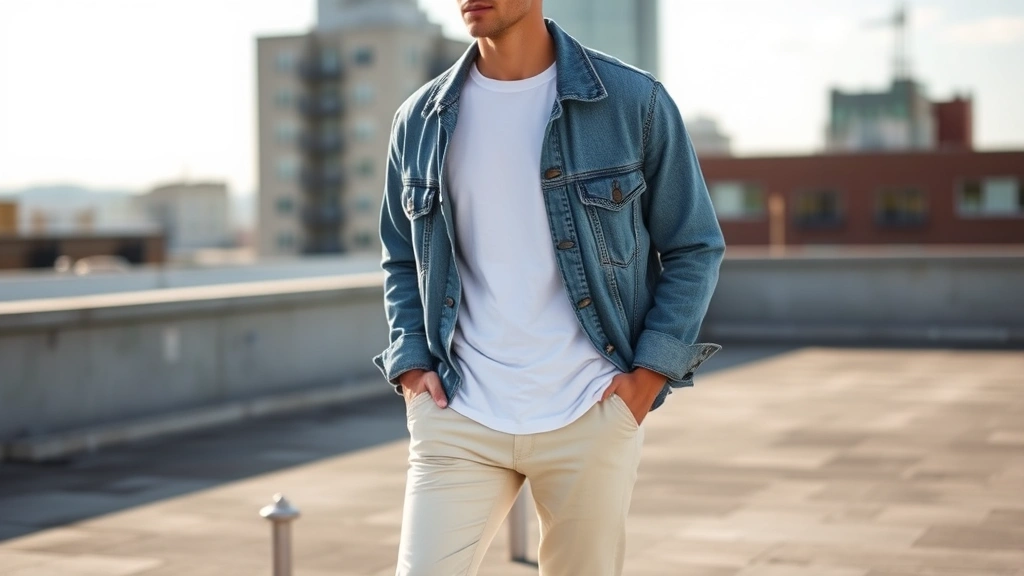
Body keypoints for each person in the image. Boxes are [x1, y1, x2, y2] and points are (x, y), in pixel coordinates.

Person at [373, 1, 725, 574]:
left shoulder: (633, 103)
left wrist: (647, 378)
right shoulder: (419, 120)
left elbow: (694, 245)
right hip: (461, 410)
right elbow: (400, 257)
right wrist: (413, 368)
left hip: (591, 407)